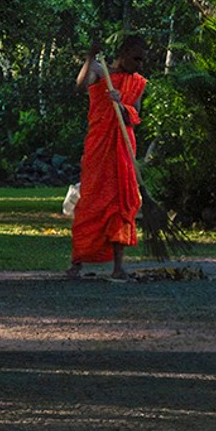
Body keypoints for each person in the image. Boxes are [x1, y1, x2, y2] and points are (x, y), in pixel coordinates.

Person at [70, 34, 149, 280]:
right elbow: (80, 87)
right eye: (136, 58)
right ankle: (77, 263)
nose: (139, 64)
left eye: (142, 60)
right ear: (123, 54)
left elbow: (135, 114)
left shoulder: (137, 82)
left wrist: (122, 106)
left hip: (123, 148)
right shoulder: (99, 70)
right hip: (99, 146)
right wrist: (90, 57)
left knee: (122, 203)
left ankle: (118, 266)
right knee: (92, 201)